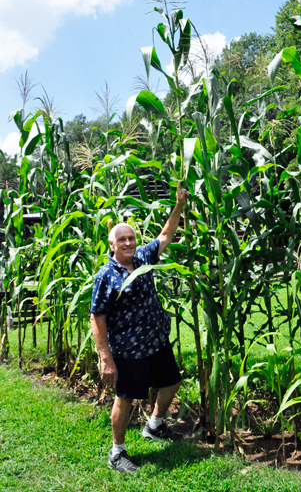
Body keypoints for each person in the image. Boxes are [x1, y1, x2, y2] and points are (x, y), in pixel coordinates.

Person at [90, 183, 188, 474]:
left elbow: (166, 235)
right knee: (126, 398)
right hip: (129, 349)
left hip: (156, 341)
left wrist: (179, 205)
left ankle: (154, 426)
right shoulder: (106, 275)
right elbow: (97, 317)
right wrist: (105, 357)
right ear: (112, 245)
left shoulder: (144, 257)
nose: (128, 243)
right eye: (122, 240)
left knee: (172, 382)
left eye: (131, 238)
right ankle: (117, 452)